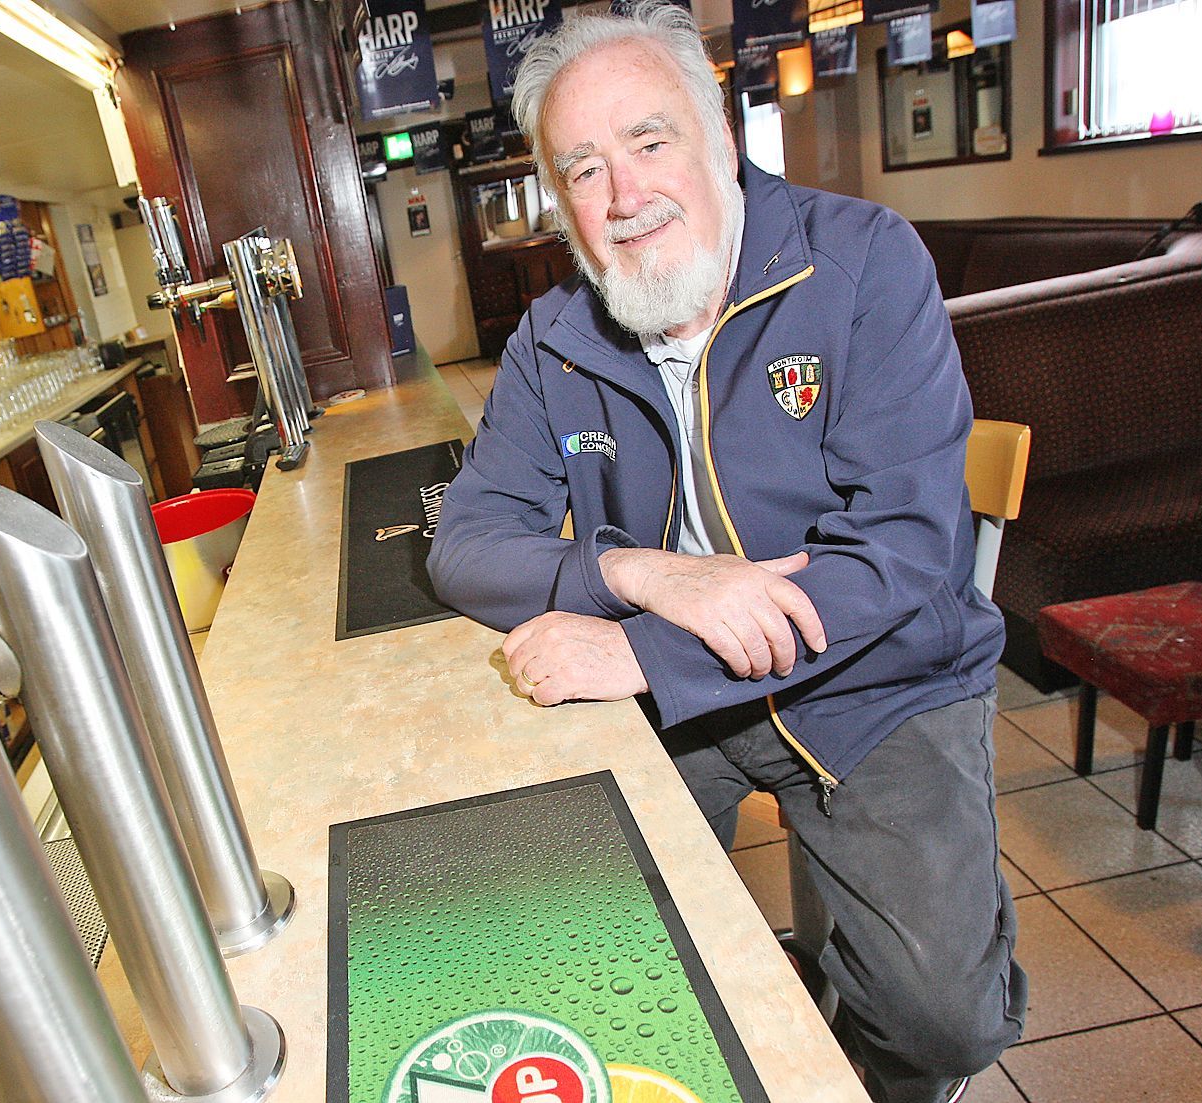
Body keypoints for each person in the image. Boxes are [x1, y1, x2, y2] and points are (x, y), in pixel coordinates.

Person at [426, 6, 1027, 1103]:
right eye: (584, 169)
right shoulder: (554, 337)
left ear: (717, 137)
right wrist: (637, 574)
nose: (624, 195)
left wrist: (646, 652)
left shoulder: (864, 261)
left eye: (648, 142)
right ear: (559, 201)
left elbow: (900, 549)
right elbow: (463, 543)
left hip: (872, 683)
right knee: (591, 973)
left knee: (942, 1023)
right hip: (681, 709)